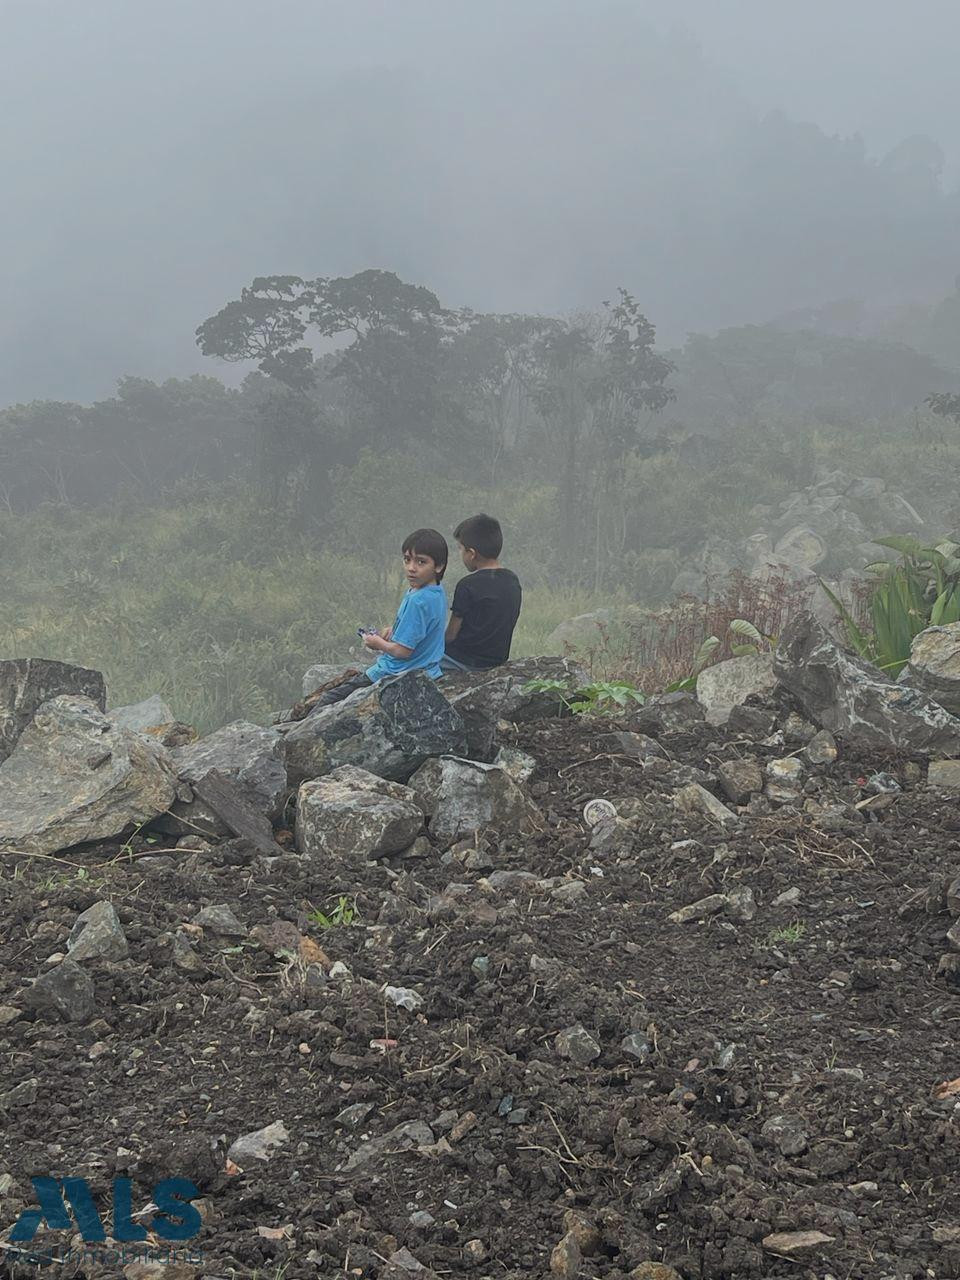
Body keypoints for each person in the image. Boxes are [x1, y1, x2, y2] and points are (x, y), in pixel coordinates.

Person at [311, 528, 449, 708]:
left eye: (421, 562)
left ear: (439, 566)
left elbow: (403, 652)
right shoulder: (436, 592)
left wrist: (377, 644)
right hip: (428, 670)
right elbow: (423, 630)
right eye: (407, 560)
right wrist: (395, 632)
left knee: (328, 700)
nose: (411, 568)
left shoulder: (418, 601)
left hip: (395, 672)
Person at [442, 513, 522, 672]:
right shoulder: (513, 581)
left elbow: (450, 635)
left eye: (460, 549)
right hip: (496, 661)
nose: (460, 554)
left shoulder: (467, 585)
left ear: (472, 554)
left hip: (462, 661)